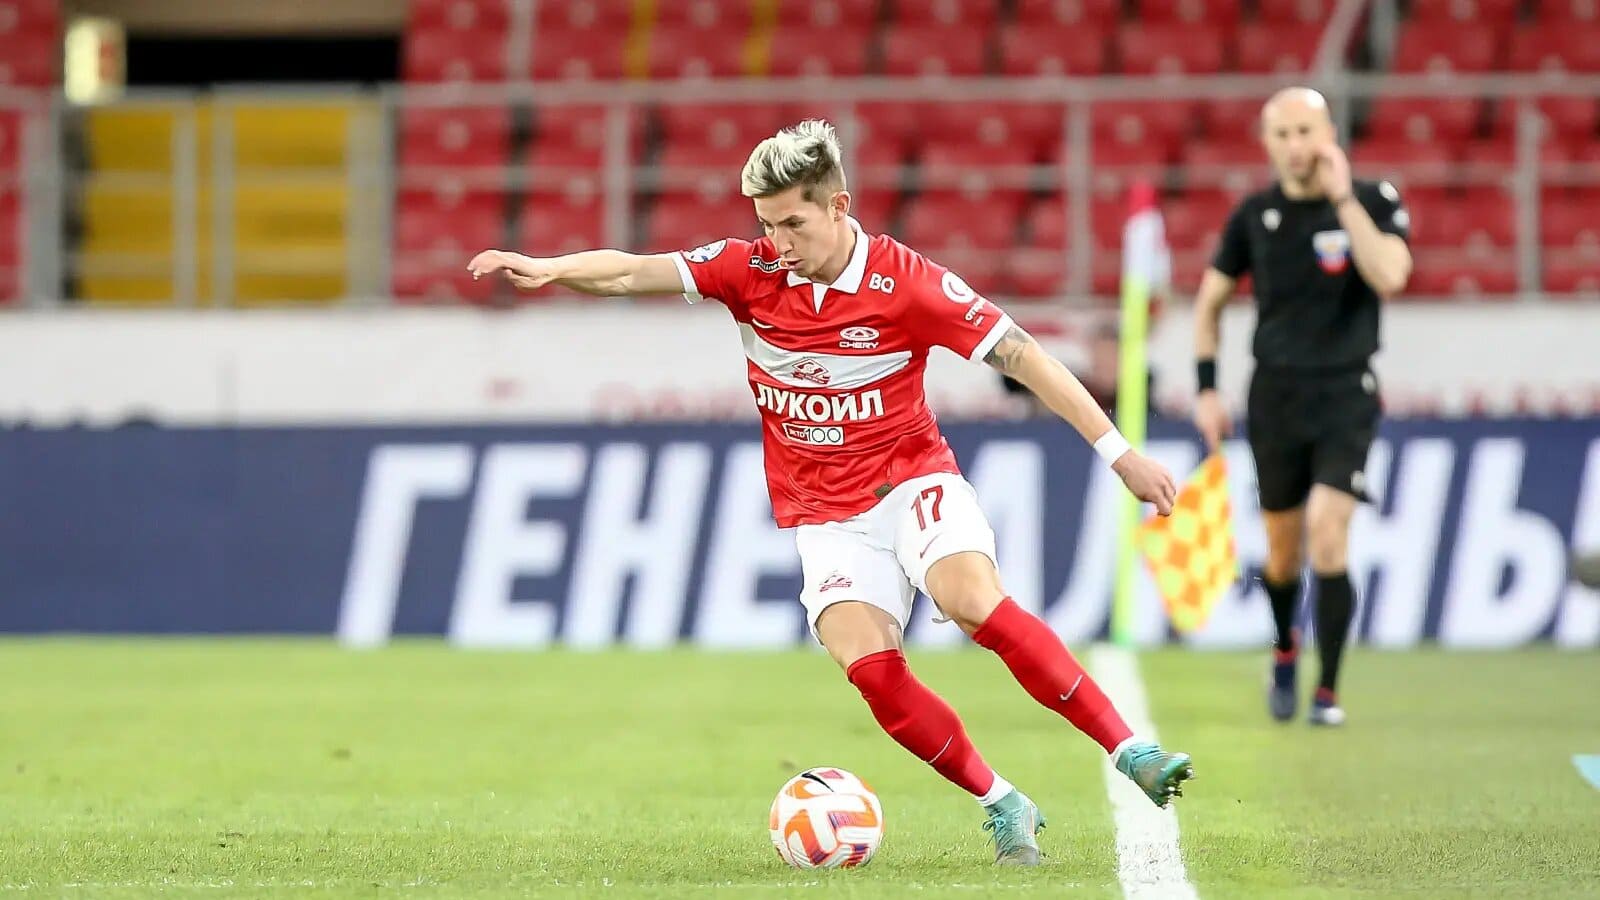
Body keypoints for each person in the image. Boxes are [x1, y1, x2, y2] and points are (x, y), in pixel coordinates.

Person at [469, 120, 1193, 866]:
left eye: (793, 224)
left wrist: (1119, 454)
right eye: (766, 225)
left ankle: (1130, 749)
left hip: (912, 480)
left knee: (971, 600)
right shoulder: (747, 271)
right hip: (825, 515)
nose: (778, 243)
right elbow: (630, 273)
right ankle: (1002, 802)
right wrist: (551, 268)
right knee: (873, 672)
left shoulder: (906, 282)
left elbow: (1022, 355)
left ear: (838, 206)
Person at [1191, 88, 1413, 727]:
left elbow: (1391, 275)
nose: (1295, 146)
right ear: (1266, 143)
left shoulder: (1373, 201)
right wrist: (1207, 388)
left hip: (1346, 393)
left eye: (1305, 132)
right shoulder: (1254, 215)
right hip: (1276, 397)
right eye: (1282, 134)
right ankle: (1285, 647)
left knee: (1329, 529)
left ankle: (1329, 690)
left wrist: (1344, 201)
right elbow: (1208, 306)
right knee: (1284, 552)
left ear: (1329, 135)